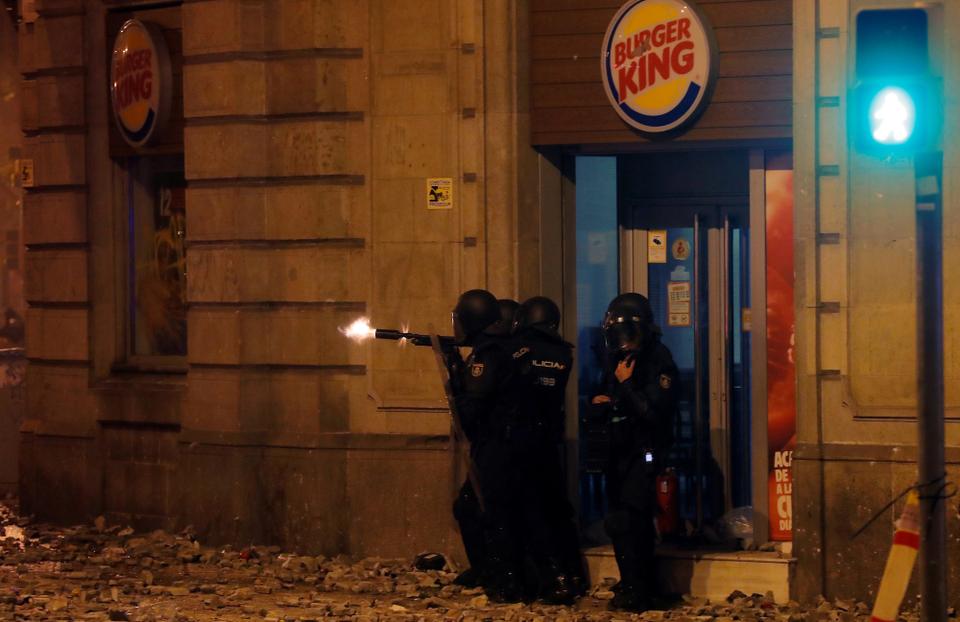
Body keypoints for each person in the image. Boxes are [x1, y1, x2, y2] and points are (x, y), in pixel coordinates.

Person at [591, 293, 678, 613]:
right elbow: (609, 394)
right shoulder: (618, 361)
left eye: (630, 335)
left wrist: (626, 387)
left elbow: (653, 412)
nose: (625, 342)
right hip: (619, 450)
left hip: (645, 451)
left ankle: (640, 588)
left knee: (632, 519)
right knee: (618, 520)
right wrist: (602, 401)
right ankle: (631, 580)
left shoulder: (658, 359)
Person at [448, 289, 525, 602]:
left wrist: (456, 376)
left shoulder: (488, 355)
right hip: (500, 444)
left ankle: (507, 580)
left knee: (493, 511)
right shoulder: (498, 350)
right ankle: (488, 571)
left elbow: (472, 410)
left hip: (498, 446)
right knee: (470, 506)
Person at [510, 296, 585, 604]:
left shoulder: (521, 351)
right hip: (548, 440)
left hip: (523, 441)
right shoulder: (561, 354)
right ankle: (572, 573)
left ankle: (552, 578)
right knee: (555, 508)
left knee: (531, 510)